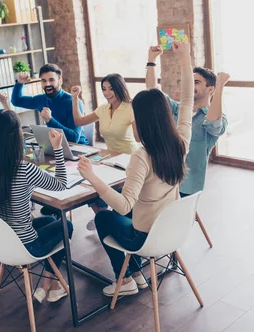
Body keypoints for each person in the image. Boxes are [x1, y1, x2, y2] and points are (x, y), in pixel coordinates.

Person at [77, 41, 194, 297]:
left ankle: (128, 278)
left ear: (140, 121)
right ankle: (137, 274)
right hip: (172, 231)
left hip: (145, 239)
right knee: (124, 217)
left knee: (103, 217)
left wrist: (92, 178)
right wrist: (185, 57)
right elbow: (187, 100)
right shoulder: (181, 141)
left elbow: (123, 205)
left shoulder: (141, 157)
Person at [0, 110, 73, 303]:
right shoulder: (24, 169)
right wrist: (57, 149)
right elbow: (62, 184)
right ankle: (51, 282)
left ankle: (49, 282)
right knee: (66, 225)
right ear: (16, 137)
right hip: (26, 245)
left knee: (48, 220)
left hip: (1, 241)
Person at [145, 46, 229, 197]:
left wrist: (220, 86)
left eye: (196, 82)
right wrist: (151, 60)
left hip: (187, 186)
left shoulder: (214, 118)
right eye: (190, 81)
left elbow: (213, 124)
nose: (190, 85)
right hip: (162, 179)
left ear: (210, 89)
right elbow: (152, 92)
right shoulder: (177, 108)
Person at [71, 73, 140, 230]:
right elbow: (79, 121)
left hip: (128, 160)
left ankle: (109, 219)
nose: (107, 93)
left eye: (111, 88)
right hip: (109, 160)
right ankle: (101, 215)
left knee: (116, 193)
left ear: (120, 88)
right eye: (103, 89)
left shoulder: (130, 108)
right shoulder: (103, 109)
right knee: (88, 181)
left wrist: (139, 114)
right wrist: (75, 98)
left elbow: (138, 138)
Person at [11, 63, 89, 145]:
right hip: (56, 145)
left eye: (51, 80)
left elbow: (74, 138)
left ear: (60, 81)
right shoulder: (40, 99)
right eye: (44, 81)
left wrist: (49, 120)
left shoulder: (73, 102)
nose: (47, 84)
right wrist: (19, 83)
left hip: (78, 147)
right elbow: (16, 101)